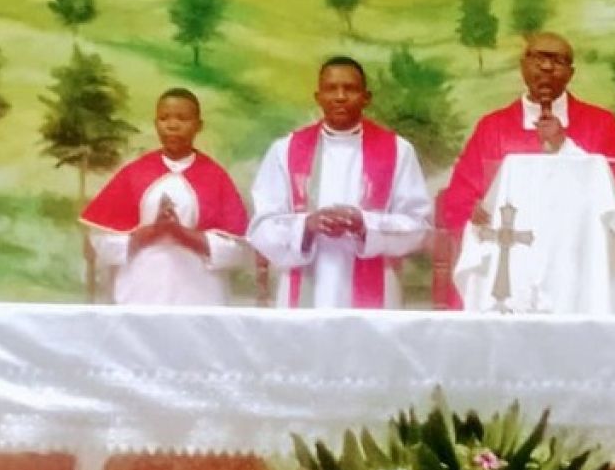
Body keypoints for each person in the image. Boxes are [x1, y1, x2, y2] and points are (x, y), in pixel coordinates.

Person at [247, 56, 431, 309]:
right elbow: (261, 226)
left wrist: (365, 225)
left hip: (375, 291)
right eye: (331, 88)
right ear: (318, 96)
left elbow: (417, 225)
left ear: (366, 97)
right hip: (304, 286)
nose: (340, 96)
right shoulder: (286, 150)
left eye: (350, 88)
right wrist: (306, 226)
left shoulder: (398, 150)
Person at [439, 31, 615, 234]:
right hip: (510, 249)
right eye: (539, 58)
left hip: (577, 248)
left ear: (571, 73)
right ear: (522, 66)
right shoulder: (492, 128)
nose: (547, 67)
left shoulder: (601, 125)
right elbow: (460, 197)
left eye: (558, 60)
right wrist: (472, 211)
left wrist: (566, 147)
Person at [80, 88, 249, 305]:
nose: (172, 125)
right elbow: (101, 244)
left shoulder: (215, 177)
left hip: (200, 297)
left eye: (182, 118)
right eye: (164, 118)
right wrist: (148, 233)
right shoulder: (134, 174)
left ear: (199, 126)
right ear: (155, 123)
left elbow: (237, 252)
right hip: (140, 292)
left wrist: (183, 234)